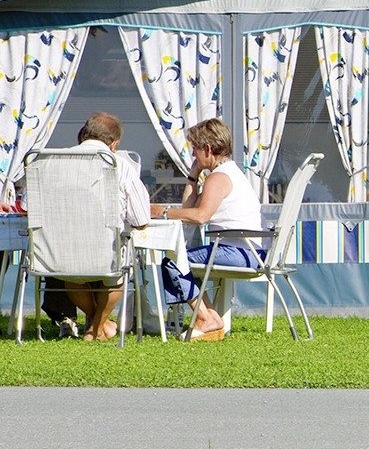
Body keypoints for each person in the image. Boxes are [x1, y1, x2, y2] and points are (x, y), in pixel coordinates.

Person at [150, 117, 262, 342]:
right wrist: (193, 175)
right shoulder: (226, 173)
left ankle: (206, 319)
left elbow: (200, 217)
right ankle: (210, 318)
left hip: (240, 251)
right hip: (249, 251)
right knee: (179, 259)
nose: (193, 154)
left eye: (195, 148)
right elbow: (189, 207)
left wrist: (162, 211)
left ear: (208, 149)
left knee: (173, 261)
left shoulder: (219, 178)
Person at [58, 112, 152, 341]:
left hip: (63, 255)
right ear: (114, 144)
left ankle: (97, 325)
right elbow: (141, 221)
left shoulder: (52, 161)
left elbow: (29, 206)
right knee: (116, 275)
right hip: (107, 253)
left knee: (71, 276)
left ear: (85, 135)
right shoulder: (121, 166)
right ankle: (98, 327)